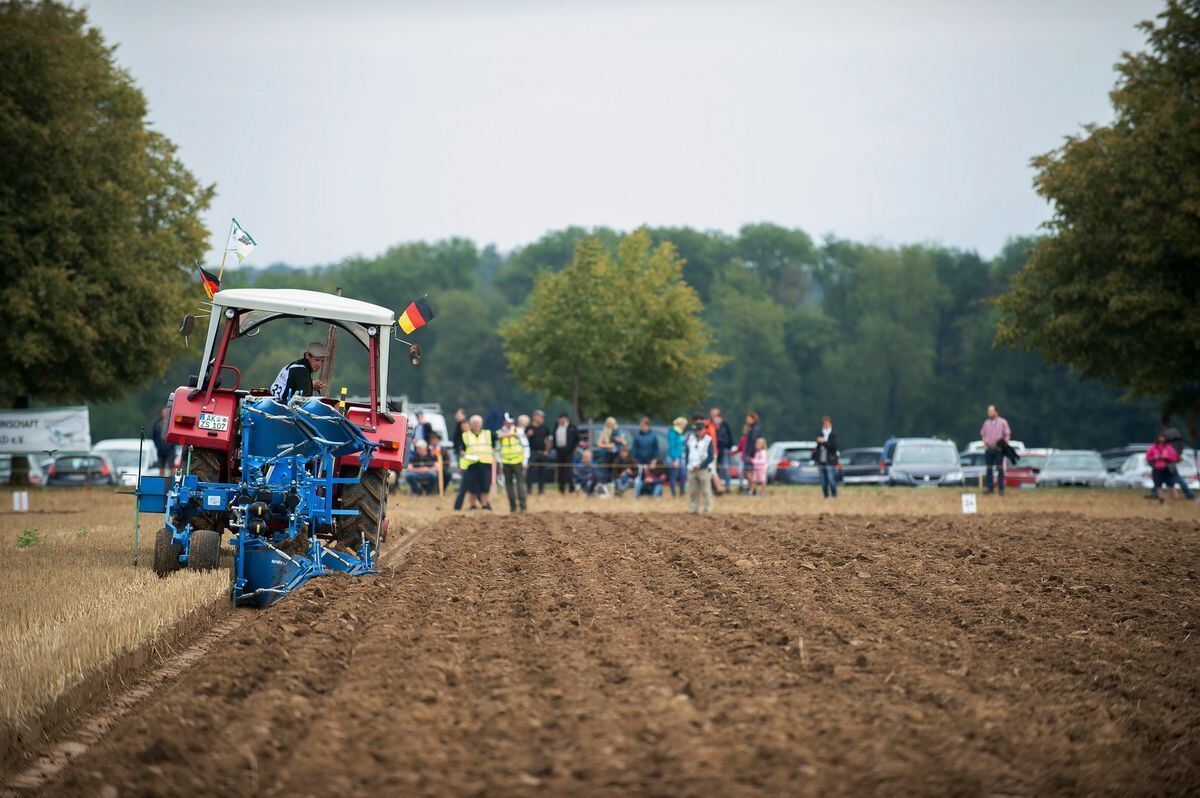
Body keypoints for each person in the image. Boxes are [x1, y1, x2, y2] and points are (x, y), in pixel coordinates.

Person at [454, 415, 493, 511]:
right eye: (474, 423)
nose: (476, 425)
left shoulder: (488, 434)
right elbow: (459, 448)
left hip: (485, 463)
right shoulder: (465, 435)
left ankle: (485, 505)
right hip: (471, 464)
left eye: (478, 423)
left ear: (482, 424)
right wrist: (462, 453)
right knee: (472, 487)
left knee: (485, 486)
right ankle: (472, 505)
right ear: (470, 424)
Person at [1160, 416, 1197, 501]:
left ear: (1162, 423)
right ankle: (1155, 492)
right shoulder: (1176, 431)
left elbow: (1163, 446)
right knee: (1165, 474)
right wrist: (1179, 454)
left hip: (1168, 458)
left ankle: (1189, 493)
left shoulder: (1164, 433)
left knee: (1172, 475)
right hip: (1175, 456)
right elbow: (1181, 443)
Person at [497, 413, 528, 513]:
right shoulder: (500, 432)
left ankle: (523, 506)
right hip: (505, 462)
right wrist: (499, 461)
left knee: (520, 484)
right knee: (508, 485)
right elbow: (497, 447)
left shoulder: (519, 431)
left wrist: (525, 460)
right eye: (507, 421)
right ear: (504, 421)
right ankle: (513, 507)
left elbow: (525, 446)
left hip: (518, 461)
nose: (509, 423)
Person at [980, 404, 1011, 496]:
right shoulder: (986, 423)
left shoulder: (1003, 422)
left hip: (999, 450)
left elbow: (1007, 434)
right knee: (989, 469)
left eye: (991, 411)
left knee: (1000, 469)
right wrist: (985, 443)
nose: (989, 413)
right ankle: (989, 488)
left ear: (996, 412)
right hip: (989, 449)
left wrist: (1003, 445)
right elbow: (983, 434)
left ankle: (1001, 489)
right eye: (988, 411)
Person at [686, 420, 715, 514]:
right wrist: (688, 464)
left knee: (706, 491)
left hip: (704, 469)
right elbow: (687, 452)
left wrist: (701, 465)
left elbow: (710, 457)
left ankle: (707, 509)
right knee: (693, 491)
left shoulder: (708, 440)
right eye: (697, 430)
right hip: (691, 468)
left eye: (700, 429)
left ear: (704, 430)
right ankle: (693, 509)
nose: (698, 431)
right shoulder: (690, 439)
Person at [1145, 433, 1178, 503]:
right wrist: (1155, 457)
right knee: (1158, 485)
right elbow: (1148, 458)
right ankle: (1161, 500)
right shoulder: (1152, 447)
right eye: (1160, 437)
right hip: (1157, 468)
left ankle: (1175, 500)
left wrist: (1166, 457)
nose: (1161, 439)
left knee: (1172, 485)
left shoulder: (1169, 447)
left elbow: (1174, 457)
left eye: (1162, 437)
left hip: (1167, 468)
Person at [526, 410, 552, 494]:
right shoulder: (529, 428)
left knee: (542, 472)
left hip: (542, 453)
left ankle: (541, 490)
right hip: (532, 452)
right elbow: (524, 439)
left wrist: (547, 451)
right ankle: (529, 489)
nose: (542, 418)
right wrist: (528, 434)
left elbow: (548, 440)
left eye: (542, 417)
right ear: (534, 417)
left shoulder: (544, 428)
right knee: (530, 472)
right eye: (540, 417)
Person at [553, 413, 579, 493]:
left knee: (569, 470)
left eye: (563, 418)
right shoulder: (556, 427)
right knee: (560, 470)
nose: (561, 420)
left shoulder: (572, 427)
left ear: (566, 419)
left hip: (569, 452)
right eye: (560, 418)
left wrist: (572, 448)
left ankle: (571, 488)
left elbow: (577, 439)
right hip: (559, 451)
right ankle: (561, 488)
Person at [814, 415, 839, 499]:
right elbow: (818, 448)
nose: (826, 425)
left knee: (831, 479)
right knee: (823, 481)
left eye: (827, 423)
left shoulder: (833, 435)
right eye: (824, 423)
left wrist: (823, 442)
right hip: (821, 460)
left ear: (831, 424)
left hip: (830, 460)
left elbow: (833, 447)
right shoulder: (820, 434)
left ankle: (834, 495)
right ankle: (826, 496)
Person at [710, 408, 734, 492]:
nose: (714, 417)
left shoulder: (725, 424)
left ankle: (728, 487)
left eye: (716, 415)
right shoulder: (710, 425)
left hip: (724, 449)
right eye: (713, 415)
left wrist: (730, 447)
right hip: (715, 449)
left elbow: (730, 435)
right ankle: (716, 487)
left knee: (726, 468)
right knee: (716, 469)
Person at [595, 417, 622, 484]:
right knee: (606, 472)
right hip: (606, 455)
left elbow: (624, 442)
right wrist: (608, 446)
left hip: (615, 455)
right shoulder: (603, 432)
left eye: (613, 424)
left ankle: (614, 485)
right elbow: (599, 443)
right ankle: (606, 485)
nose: (612, 425)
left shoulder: (617, 432)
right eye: (610, 424)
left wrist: (619, 440)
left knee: (615, 471)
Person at [741, 411, 762, 493]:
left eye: (748, 419)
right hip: (750, 453)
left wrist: (749, 454)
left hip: (750, 454)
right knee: (748, 472)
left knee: (748, 472)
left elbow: (753, 442)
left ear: (753, 419)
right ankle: (751, 488)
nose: (747, 421)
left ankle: (752, 488)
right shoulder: (753, 428)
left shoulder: (754, 429)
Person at [151, 406, 176, 474]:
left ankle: (174, 479)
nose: (165, 414)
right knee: (161, 468)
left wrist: (169, 447)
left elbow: (174, 438)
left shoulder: (172, 424)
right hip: (160, 450)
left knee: (172, 467)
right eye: (163, 413)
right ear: (161, 414)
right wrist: (158, 446)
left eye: (166, 412)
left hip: (170, 450)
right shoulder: (157, 424)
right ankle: (162, 480)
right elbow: (154, 437)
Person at [666, 417, 687, 496]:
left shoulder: (680, 433)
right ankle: (673, 493)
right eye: (683, 424)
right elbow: (672, 447)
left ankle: (682, 491)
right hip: (674, 458)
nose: (684, 426)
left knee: (683, 475)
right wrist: (675, 459)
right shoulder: (672, 433)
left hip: (681, 457)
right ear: (679, 424)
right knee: (673, 475)